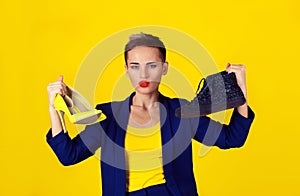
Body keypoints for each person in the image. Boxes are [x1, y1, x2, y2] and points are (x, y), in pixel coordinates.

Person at [46, 33, 255, 196]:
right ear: (127, 69)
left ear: (164, 68)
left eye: (152, 65)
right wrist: (54, 110)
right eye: (135, 66)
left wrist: (241, 95)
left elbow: (231, 139)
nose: (143, 74)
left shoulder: (183, 112)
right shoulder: (108, 115)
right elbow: (69, 156)